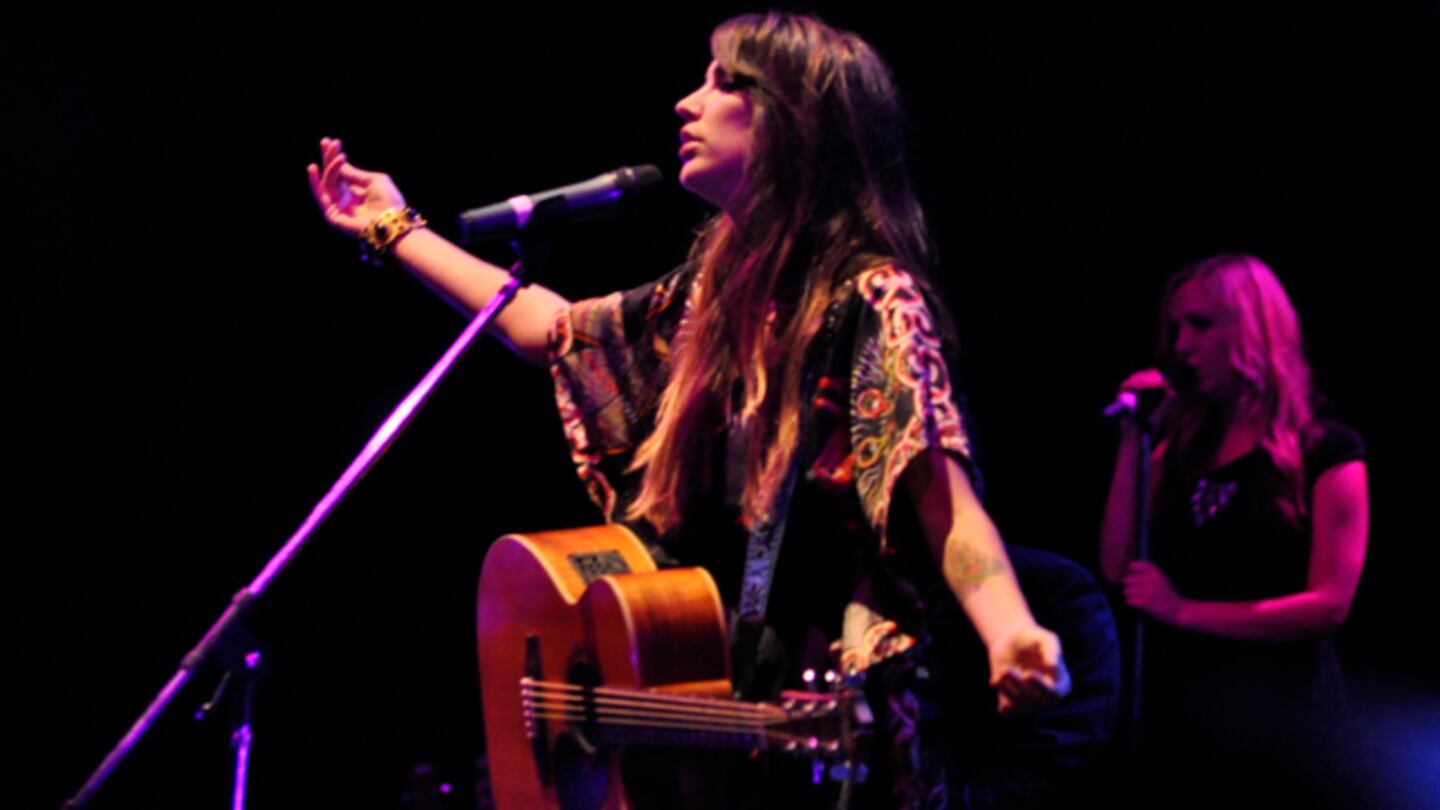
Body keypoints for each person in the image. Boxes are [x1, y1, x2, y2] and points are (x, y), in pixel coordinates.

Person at [309, 13, 1070, 807]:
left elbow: (943, 496)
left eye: (725, 82)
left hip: (828, 742)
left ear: (794, 122)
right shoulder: (708, 295)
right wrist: (393, 227)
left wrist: (1011, 629)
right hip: (709, 726)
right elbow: (548, 327)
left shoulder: (873, 298)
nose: (686, 102)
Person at [1098, 254, 1368, 789]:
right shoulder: (1177, 451)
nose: (1181, 346)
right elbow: (1116, 565)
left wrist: (1184, 611)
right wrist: (1134, 438)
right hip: (1185, 719)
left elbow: (1329, 605)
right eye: (1176, 328)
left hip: (1285, 727)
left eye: (1201, 325)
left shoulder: (1327, 452)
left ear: (1252, 329)